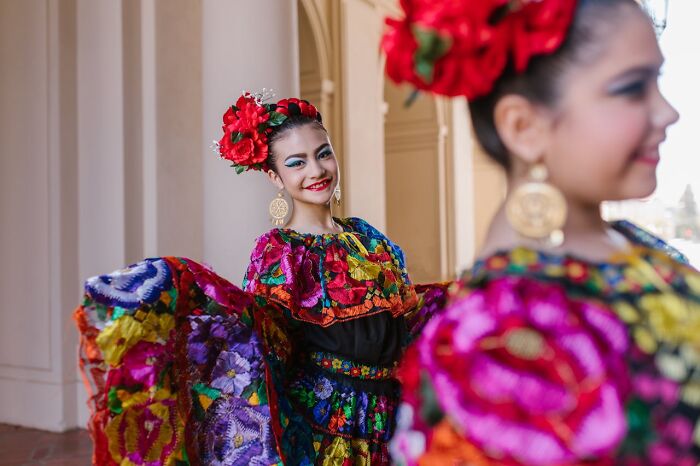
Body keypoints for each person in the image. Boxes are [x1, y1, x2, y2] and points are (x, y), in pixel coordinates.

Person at [382, 0, 700, 464]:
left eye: (659, 82)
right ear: (523, 126)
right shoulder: (491, 338)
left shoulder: (632, 242)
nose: (667, 112)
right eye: (633, 89)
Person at [73, 92, 446, 465]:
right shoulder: (279, 252)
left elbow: (403, 321)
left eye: (323, 153)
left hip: (390, 414)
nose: (316, 171)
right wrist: (181, 288)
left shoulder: (368, 238)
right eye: (296, 162)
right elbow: (265, 339)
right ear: (274, 176)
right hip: (321, 428)